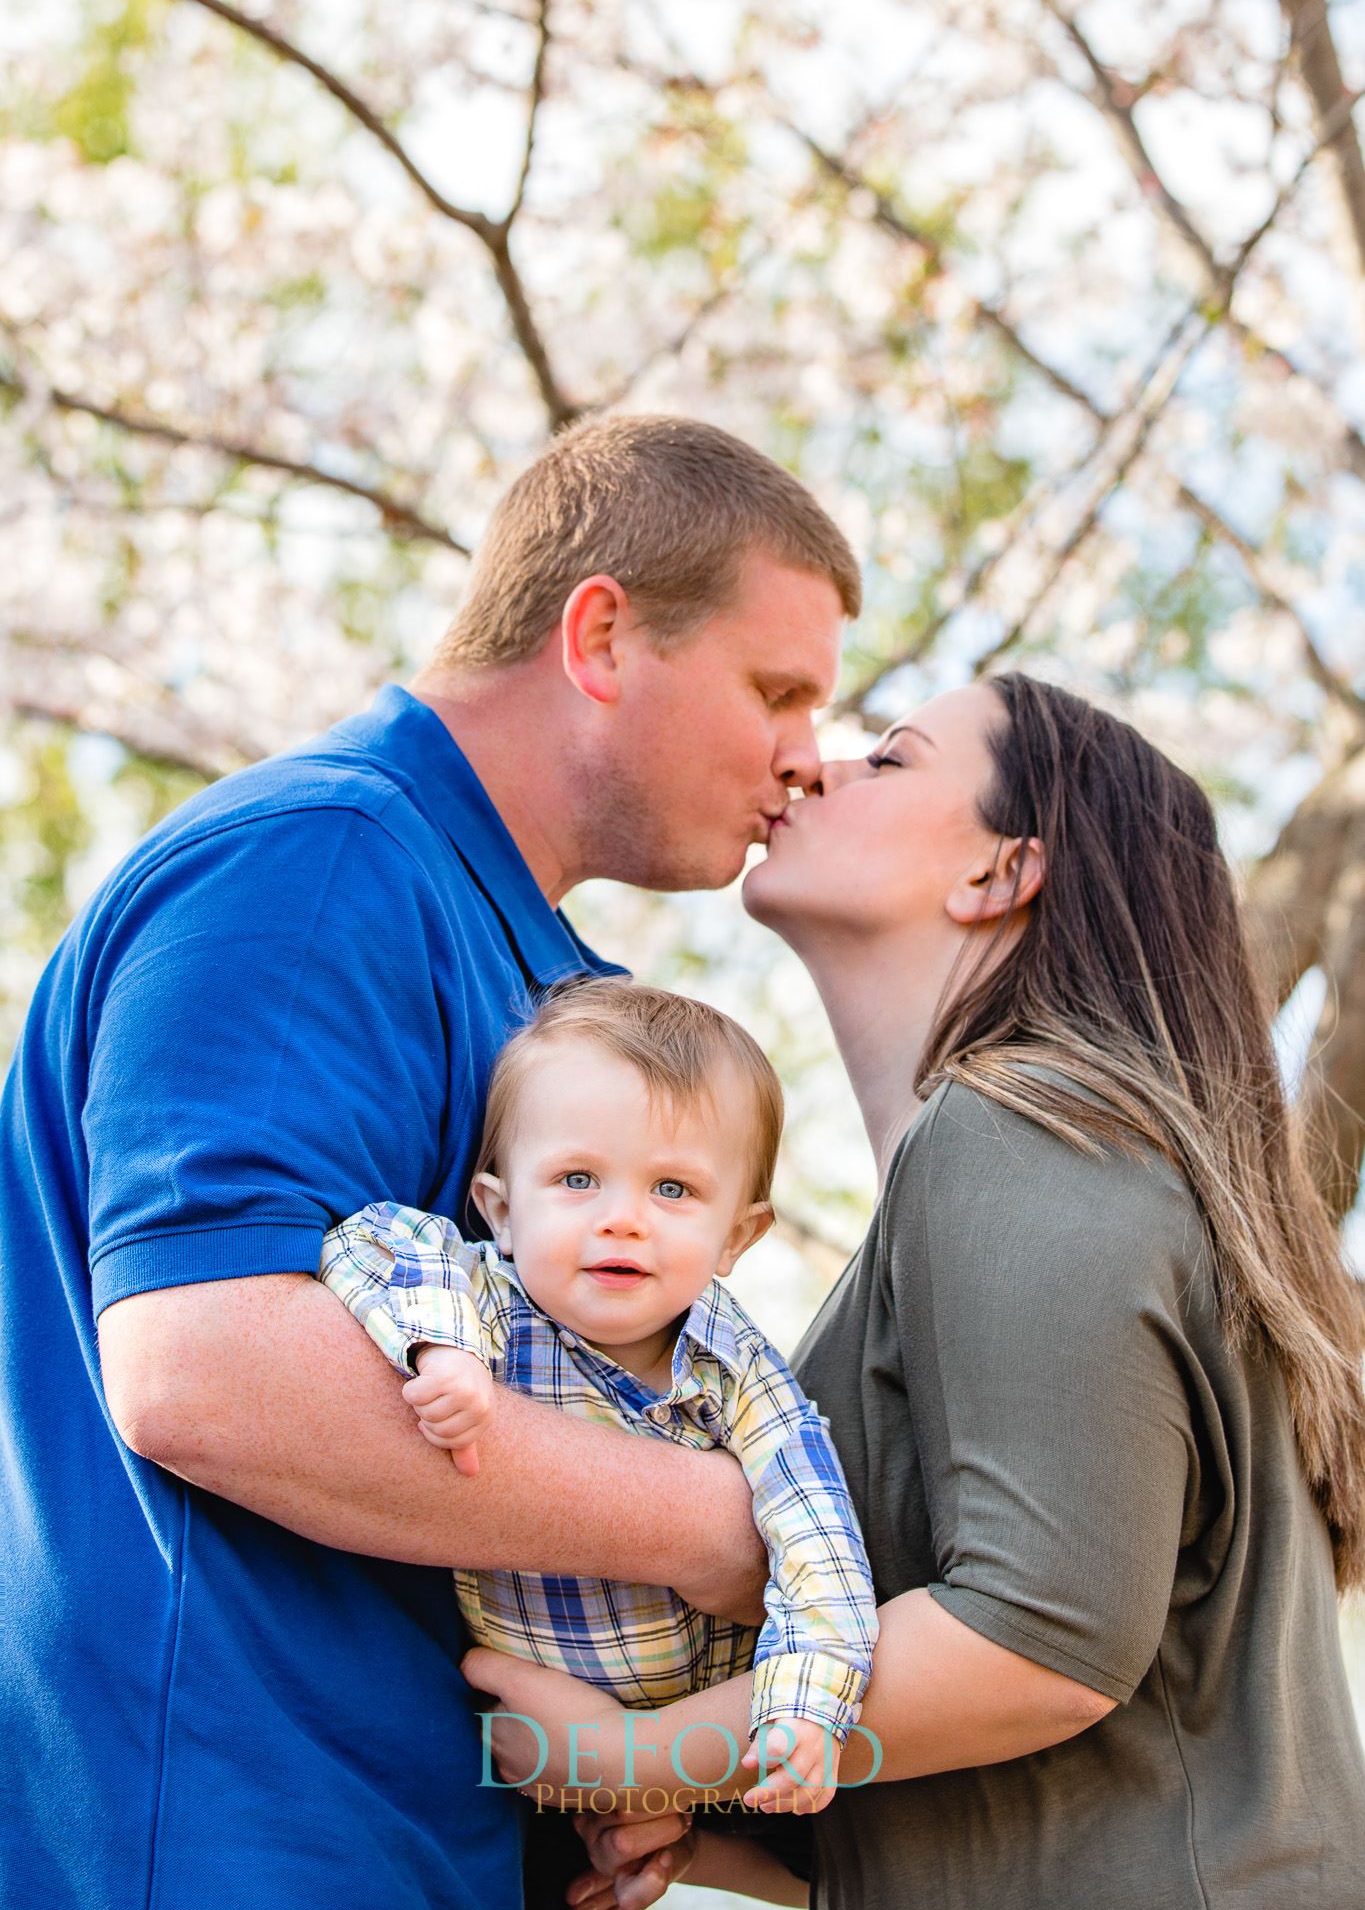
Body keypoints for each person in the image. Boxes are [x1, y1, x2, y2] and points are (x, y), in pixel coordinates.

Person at [0, 413, 860, 1910]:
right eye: (775, 691)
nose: (807, 756)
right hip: (220, 1842)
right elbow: (201, 1367)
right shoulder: (321, 861)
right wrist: (721, 1528)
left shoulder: (558, 987)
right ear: (601, 636)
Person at [468, 673, 1365, 1910]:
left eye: (888, 759)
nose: (813, 769)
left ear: (999, 874)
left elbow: (1039, 1641)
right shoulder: (989, 1174)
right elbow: (1018, 1772)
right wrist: (713, 1834)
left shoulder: (1024, 1135)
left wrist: (630, 1754)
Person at [317, 979, 877, 1822]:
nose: (622, 1220)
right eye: (577, 1179)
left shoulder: (742, 1375)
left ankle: (652, 1826)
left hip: (686, 1712)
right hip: (509, 1710)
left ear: (737, 1236)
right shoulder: (485, 1302)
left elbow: (819, 1544)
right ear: (502, 1212)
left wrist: (804, 1709)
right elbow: (370, 1240)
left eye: (673, 1190)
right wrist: (448, 1351)